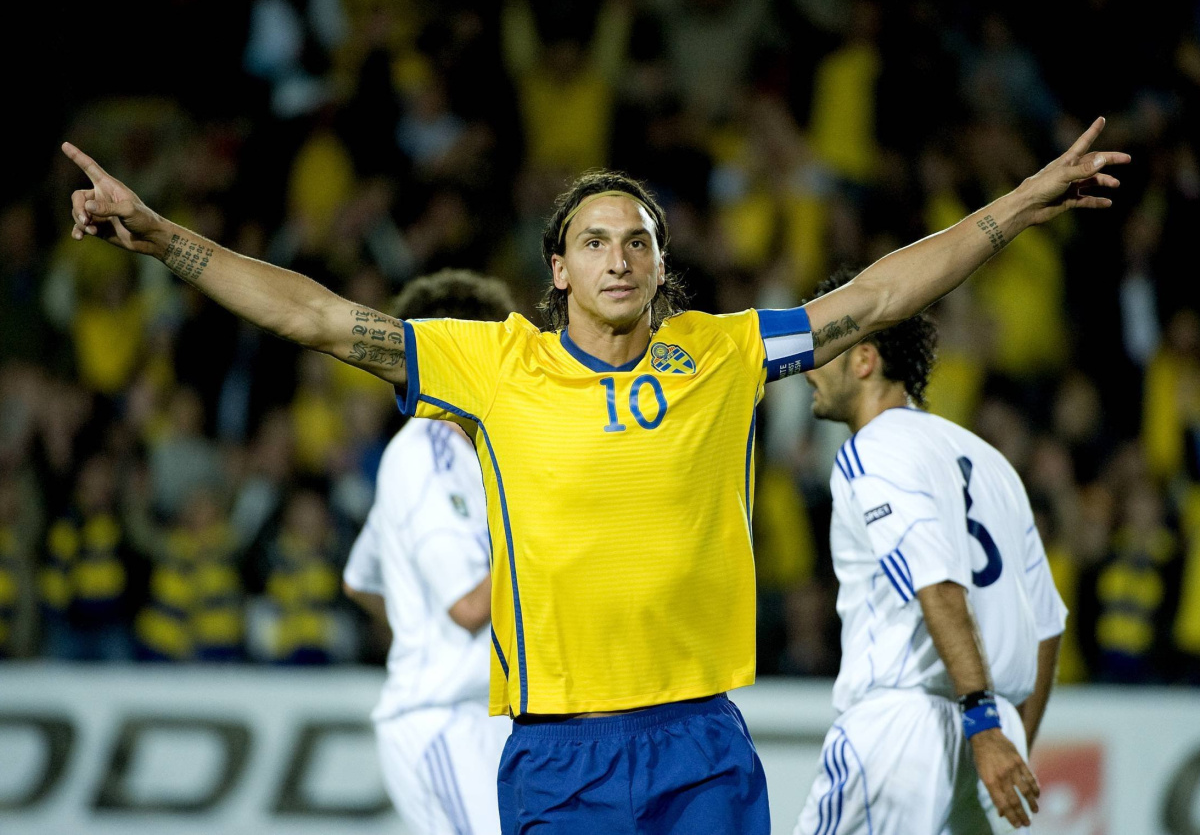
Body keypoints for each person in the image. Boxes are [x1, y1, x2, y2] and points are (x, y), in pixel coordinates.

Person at [63, 117, 1125, 834]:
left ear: (661, 266)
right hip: (559, 756)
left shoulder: (723, 353)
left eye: (640, 241)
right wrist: (163, 240)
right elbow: (317, 316)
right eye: (595, 241)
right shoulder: (495, 365)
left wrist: (1022, 201)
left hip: (703, 743)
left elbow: (882, 295)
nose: (619, 258)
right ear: (558, 269)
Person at [794, 271, 1067, 835]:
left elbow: (936, 583)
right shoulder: (990, 461)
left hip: (906, 726)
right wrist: (1004, 736)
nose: (807, 368)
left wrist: (984, 725)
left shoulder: (873, 450)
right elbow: (1047, 627)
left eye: (823, 349)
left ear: (864, 359)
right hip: (988, 727)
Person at [342, 269, 516, 835]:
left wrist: (417, 631)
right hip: (451, 721)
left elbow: (361, 580)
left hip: (484, 716)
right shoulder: (429, 454)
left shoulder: (472, 448)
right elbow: (468, 606)